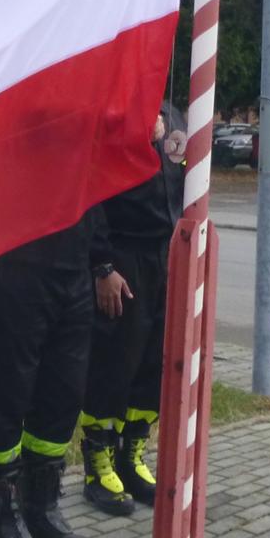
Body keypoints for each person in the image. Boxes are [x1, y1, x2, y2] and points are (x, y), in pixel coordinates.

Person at [0, 208, 105, 538]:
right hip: (18, 265)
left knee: (62, 395)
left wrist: (101, 261)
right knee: (7, 394)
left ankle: (41, 510)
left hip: (74, 268)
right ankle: (2, 523)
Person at [80, 104, 186, 516]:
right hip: (124, 256)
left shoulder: (174, 114)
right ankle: (98, 464)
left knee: (151, 365)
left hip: (166, 253)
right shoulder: (114, 110)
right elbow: (93, 191)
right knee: (114, 362)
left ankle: (132, 454)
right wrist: (102, 265)